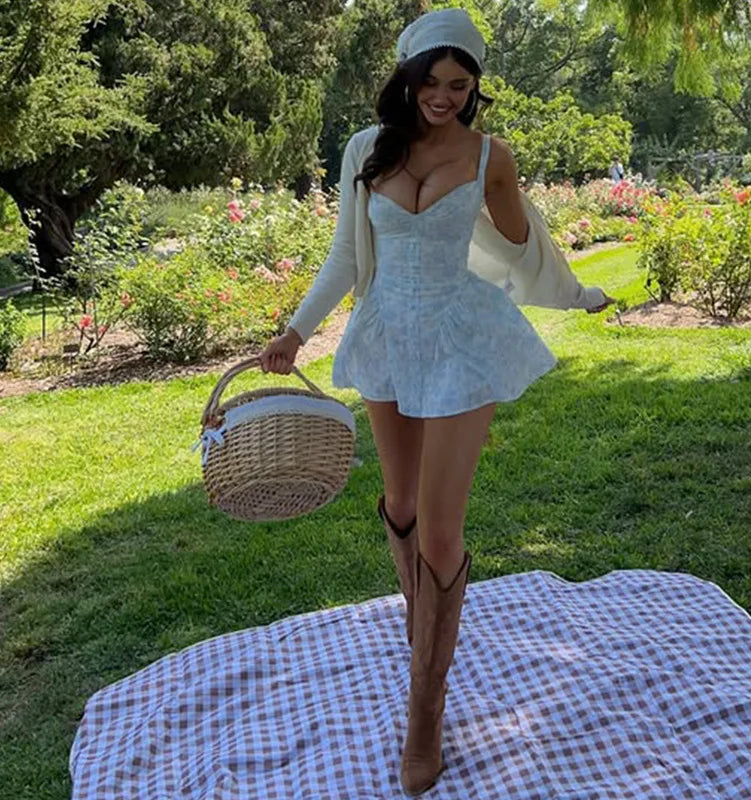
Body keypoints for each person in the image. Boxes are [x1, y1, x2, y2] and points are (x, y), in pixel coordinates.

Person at [259, 8, 614, 795]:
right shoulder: (367, 149)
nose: (444, 96)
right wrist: (294, 332)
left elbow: (520, 246)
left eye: (460, 84)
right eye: (432, 80)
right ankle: (423, 630)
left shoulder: (491, 155)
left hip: (461, 337)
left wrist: (557, 270)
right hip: (387, 333)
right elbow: (345, 255)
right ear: (408, 76)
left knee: (442, 528)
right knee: (400, 505)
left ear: (474, 88)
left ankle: (426, 708)